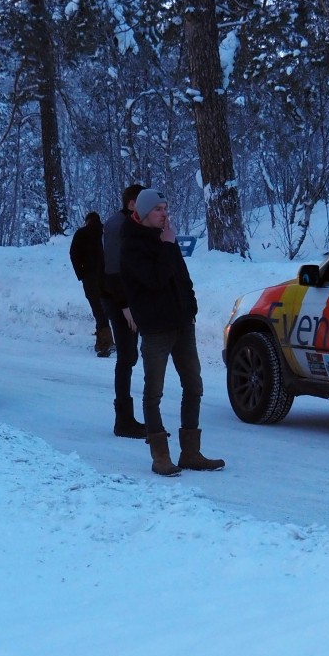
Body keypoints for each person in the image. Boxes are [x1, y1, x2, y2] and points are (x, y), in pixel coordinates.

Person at [119, 188, 225, 476]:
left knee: (194, 386)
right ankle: (160, 456)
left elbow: (181, 277)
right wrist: (167, 246)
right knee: (154, 391)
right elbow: (154, 280)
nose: (164, 214)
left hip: (182, 324)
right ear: (143, 213)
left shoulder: (166, 239)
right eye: (158, 209)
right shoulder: (132, 245)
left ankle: (190, 452)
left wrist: (190, 307)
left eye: (165, 208)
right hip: (156, 329)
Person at [99, 185, 147, 439]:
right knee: (126, 356)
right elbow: (113, 270)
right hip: (118, 300)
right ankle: (124, 420)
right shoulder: (118, 225)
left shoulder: (130, 224)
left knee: (130, 356)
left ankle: (127, 419)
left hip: (127, 299)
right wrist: (126, 306)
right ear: (131, 204)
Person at [69, 211, 113, 356]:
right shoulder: (106, 232)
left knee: (97, 309)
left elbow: (73, 254)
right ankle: (100, 342)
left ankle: (106, 343)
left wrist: (80, 273)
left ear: (87, 221)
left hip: (90, 277)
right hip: (108, 276)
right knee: (103, 308)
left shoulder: (81, 233)